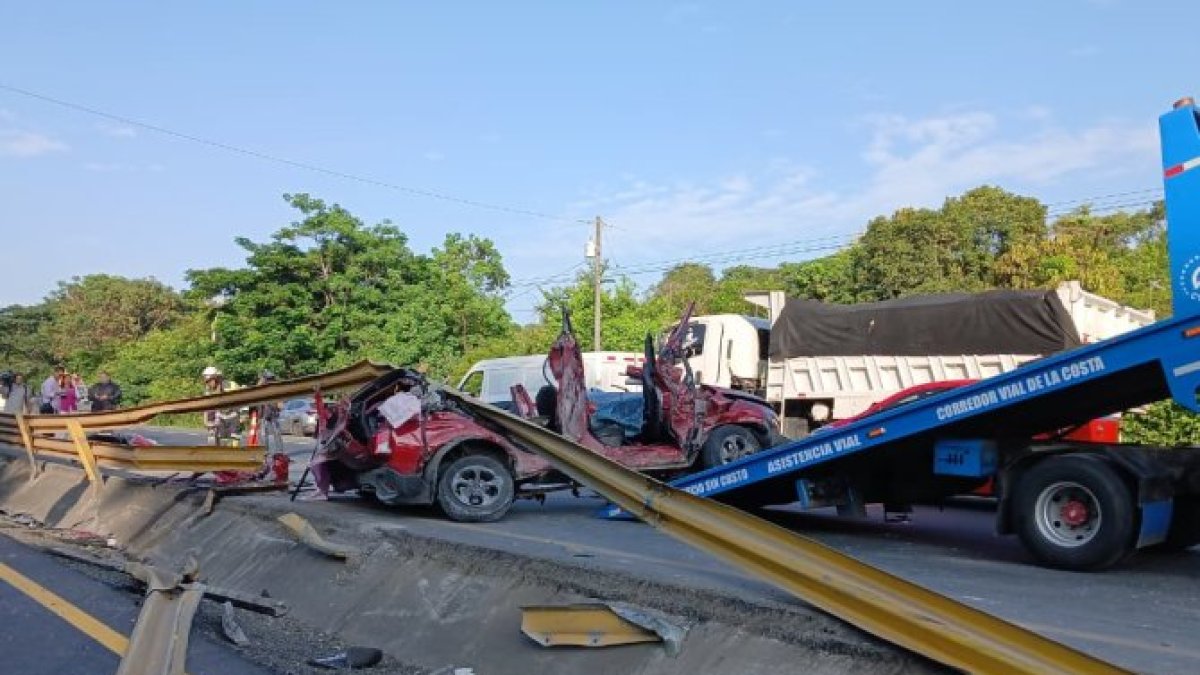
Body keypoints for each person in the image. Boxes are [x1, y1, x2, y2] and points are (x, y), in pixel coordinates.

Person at [202, 366, 240, 445]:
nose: (208, 384)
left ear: (216, 378)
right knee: (222, 443)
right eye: (207, 382)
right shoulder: (208, 391)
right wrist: (206, 421)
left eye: (209, 381)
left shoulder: (231, 386)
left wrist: (243, 414)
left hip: (234, 418)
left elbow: (244, 399)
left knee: (234, 443)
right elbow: (207, 407)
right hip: (220, 419)